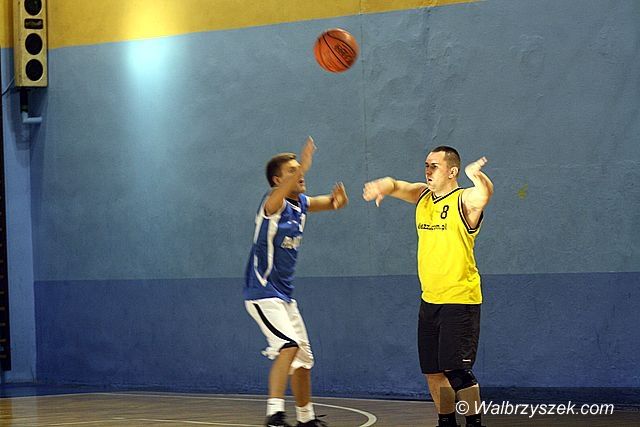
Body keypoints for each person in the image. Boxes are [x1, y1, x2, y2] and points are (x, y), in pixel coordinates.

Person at [362, 146, 493, 427]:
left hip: (460, 299)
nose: (428, 170)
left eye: (434, 165)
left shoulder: (463, 200)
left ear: (453, 171)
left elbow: (483, 195)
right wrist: (383, 186)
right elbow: (398, 186)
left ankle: (474, 423)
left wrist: (477, 176)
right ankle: (445, 422)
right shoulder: (423, 196)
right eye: (426, 165)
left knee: (457, 371)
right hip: (430, 300)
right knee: (433, 371)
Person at [244, 136, 348, 427]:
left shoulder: (300, 203)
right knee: (288, 346)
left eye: (298, 170)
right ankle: (275, 415)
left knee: (303, 359)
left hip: (285, 297)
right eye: (292, 171)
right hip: (262, 293)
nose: (300, 174)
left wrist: (338, 202)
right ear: (278, 181)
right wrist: (304, 164)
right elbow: (277, 198)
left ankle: (306, 419)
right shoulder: (271, 204)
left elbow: (329, 203)